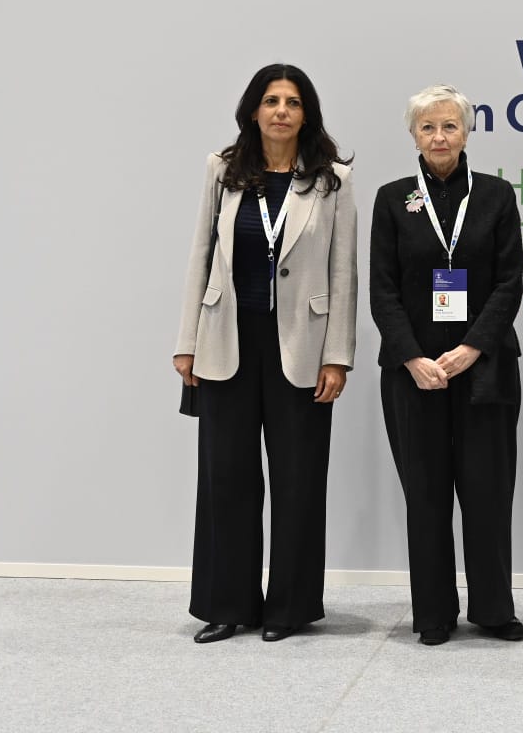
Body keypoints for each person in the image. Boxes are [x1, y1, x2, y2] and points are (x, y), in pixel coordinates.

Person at [173, 63, 357, 644]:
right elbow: (200, 253)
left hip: (302, 349)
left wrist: (338, 356)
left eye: (293, 102)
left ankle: (289, 609)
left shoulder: (333, 180)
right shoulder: (223, 171)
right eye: (271, 100)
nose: (281, 110)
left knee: (299, 479)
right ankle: (227, 605)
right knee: (226, 477)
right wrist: (186, 345)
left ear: (307, 115)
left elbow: (343, 271)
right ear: (253, 110)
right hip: (226, 342)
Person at [369, 85, 523, 647]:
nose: (439, 137)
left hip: (485, 369)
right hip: (413, 374)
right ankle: (433, 612)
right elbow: (382, 291)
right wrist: (413, 356)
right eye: (428, 127)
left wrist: (472, 348)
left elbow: (511, 283)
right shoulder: (392, 200)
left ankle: (493, 609)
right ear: (413, 135)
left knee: (487, 493)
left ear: (467, 133)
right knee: (427, 495)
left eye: (449, 127)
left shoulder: (496, 195)